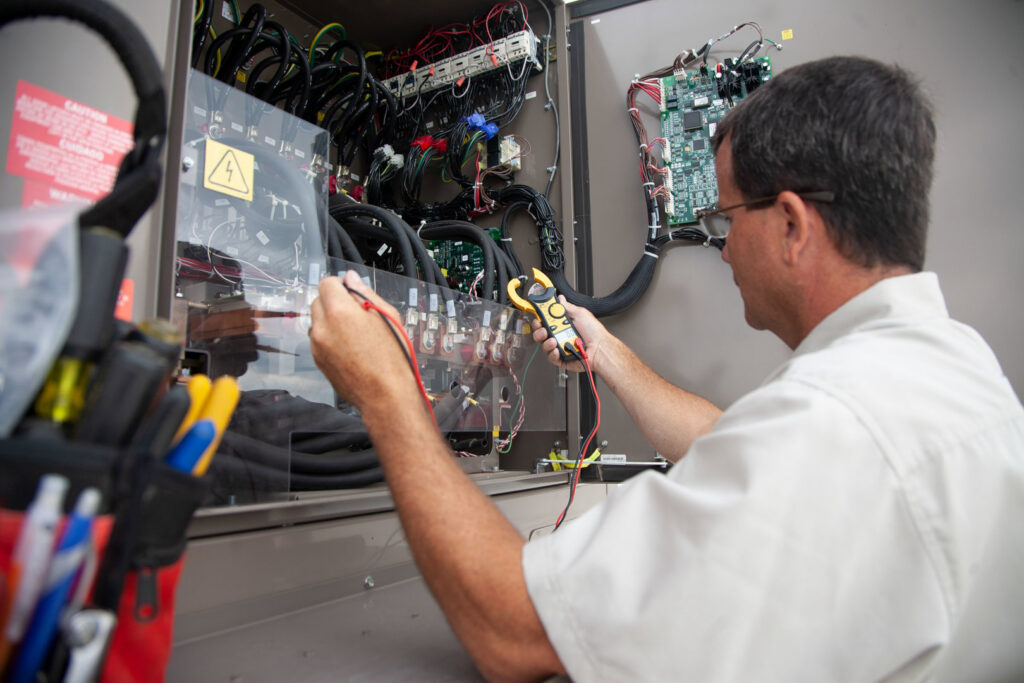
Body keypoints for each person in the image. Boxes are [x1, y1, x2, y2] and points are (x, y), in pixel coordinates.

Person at [308, 56, 1024, 682]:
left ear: (793, 226)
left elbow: (514, 633)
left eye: (726, 217)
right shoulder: (951, 374)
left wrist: (385, 386)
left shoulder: (834, 429)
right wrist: (602, 348)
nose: (722, 245)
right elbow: (733, 442)